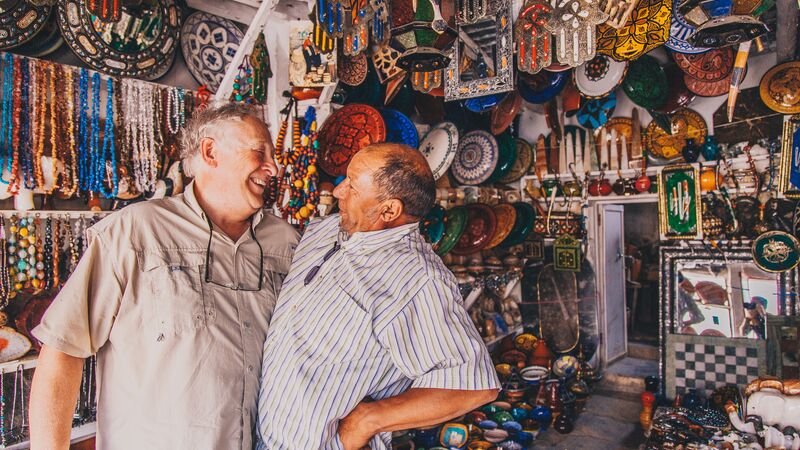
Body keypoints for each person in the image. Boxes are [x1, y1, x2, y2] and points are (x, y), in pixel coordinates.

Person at [29, 103, 299, 450]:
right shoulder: (136, 231)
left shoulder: (287, 243)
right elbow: (63, 350)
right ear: (210, 151)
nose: (273, 168)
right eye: (259, 152)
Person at [256, 143, 500, 449]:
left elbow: (472, 386)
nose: (339, 191)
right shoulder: (326, 230)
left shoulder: (417, 279)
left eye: (353, 186)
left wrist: (369, 419)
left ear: (389, 210)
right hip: (265, 435)